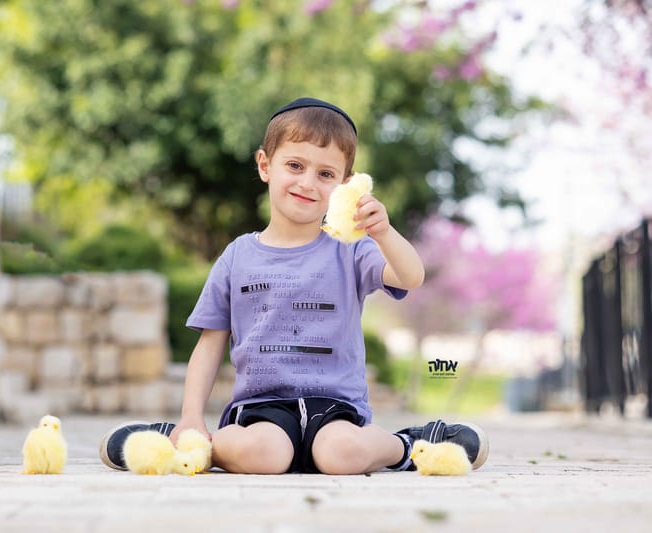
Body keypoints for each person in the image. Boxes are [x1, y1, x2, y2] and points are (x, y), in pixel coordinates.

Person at [99, 97, 488, 474]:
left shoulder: (352, 250)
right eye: (295, 165)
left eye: (325, 174)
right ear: (265, 165)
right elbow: (210, 342)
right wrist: (190, 417)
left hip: (336, 408)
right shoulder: (237, 256)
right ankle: (184, 441)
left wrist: (383, 232)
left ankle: (410, 445)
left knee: (342, 456)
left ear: (345, 184)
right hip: (262, 410)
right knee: (260, 457)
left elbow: (410, 276)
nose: (308, 183)